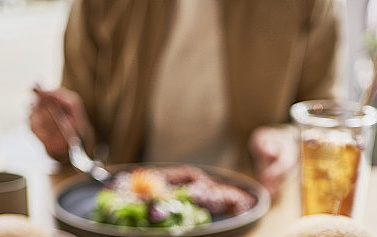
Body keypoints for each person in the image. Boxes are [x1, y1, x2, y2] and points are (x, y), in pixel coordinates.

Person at [30, 0, 339, 196]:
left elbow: (324, 115)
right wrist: (63, 132)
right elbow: (80, 130)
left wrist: (286, 139)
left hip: (258, 197)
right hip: (127, 205)